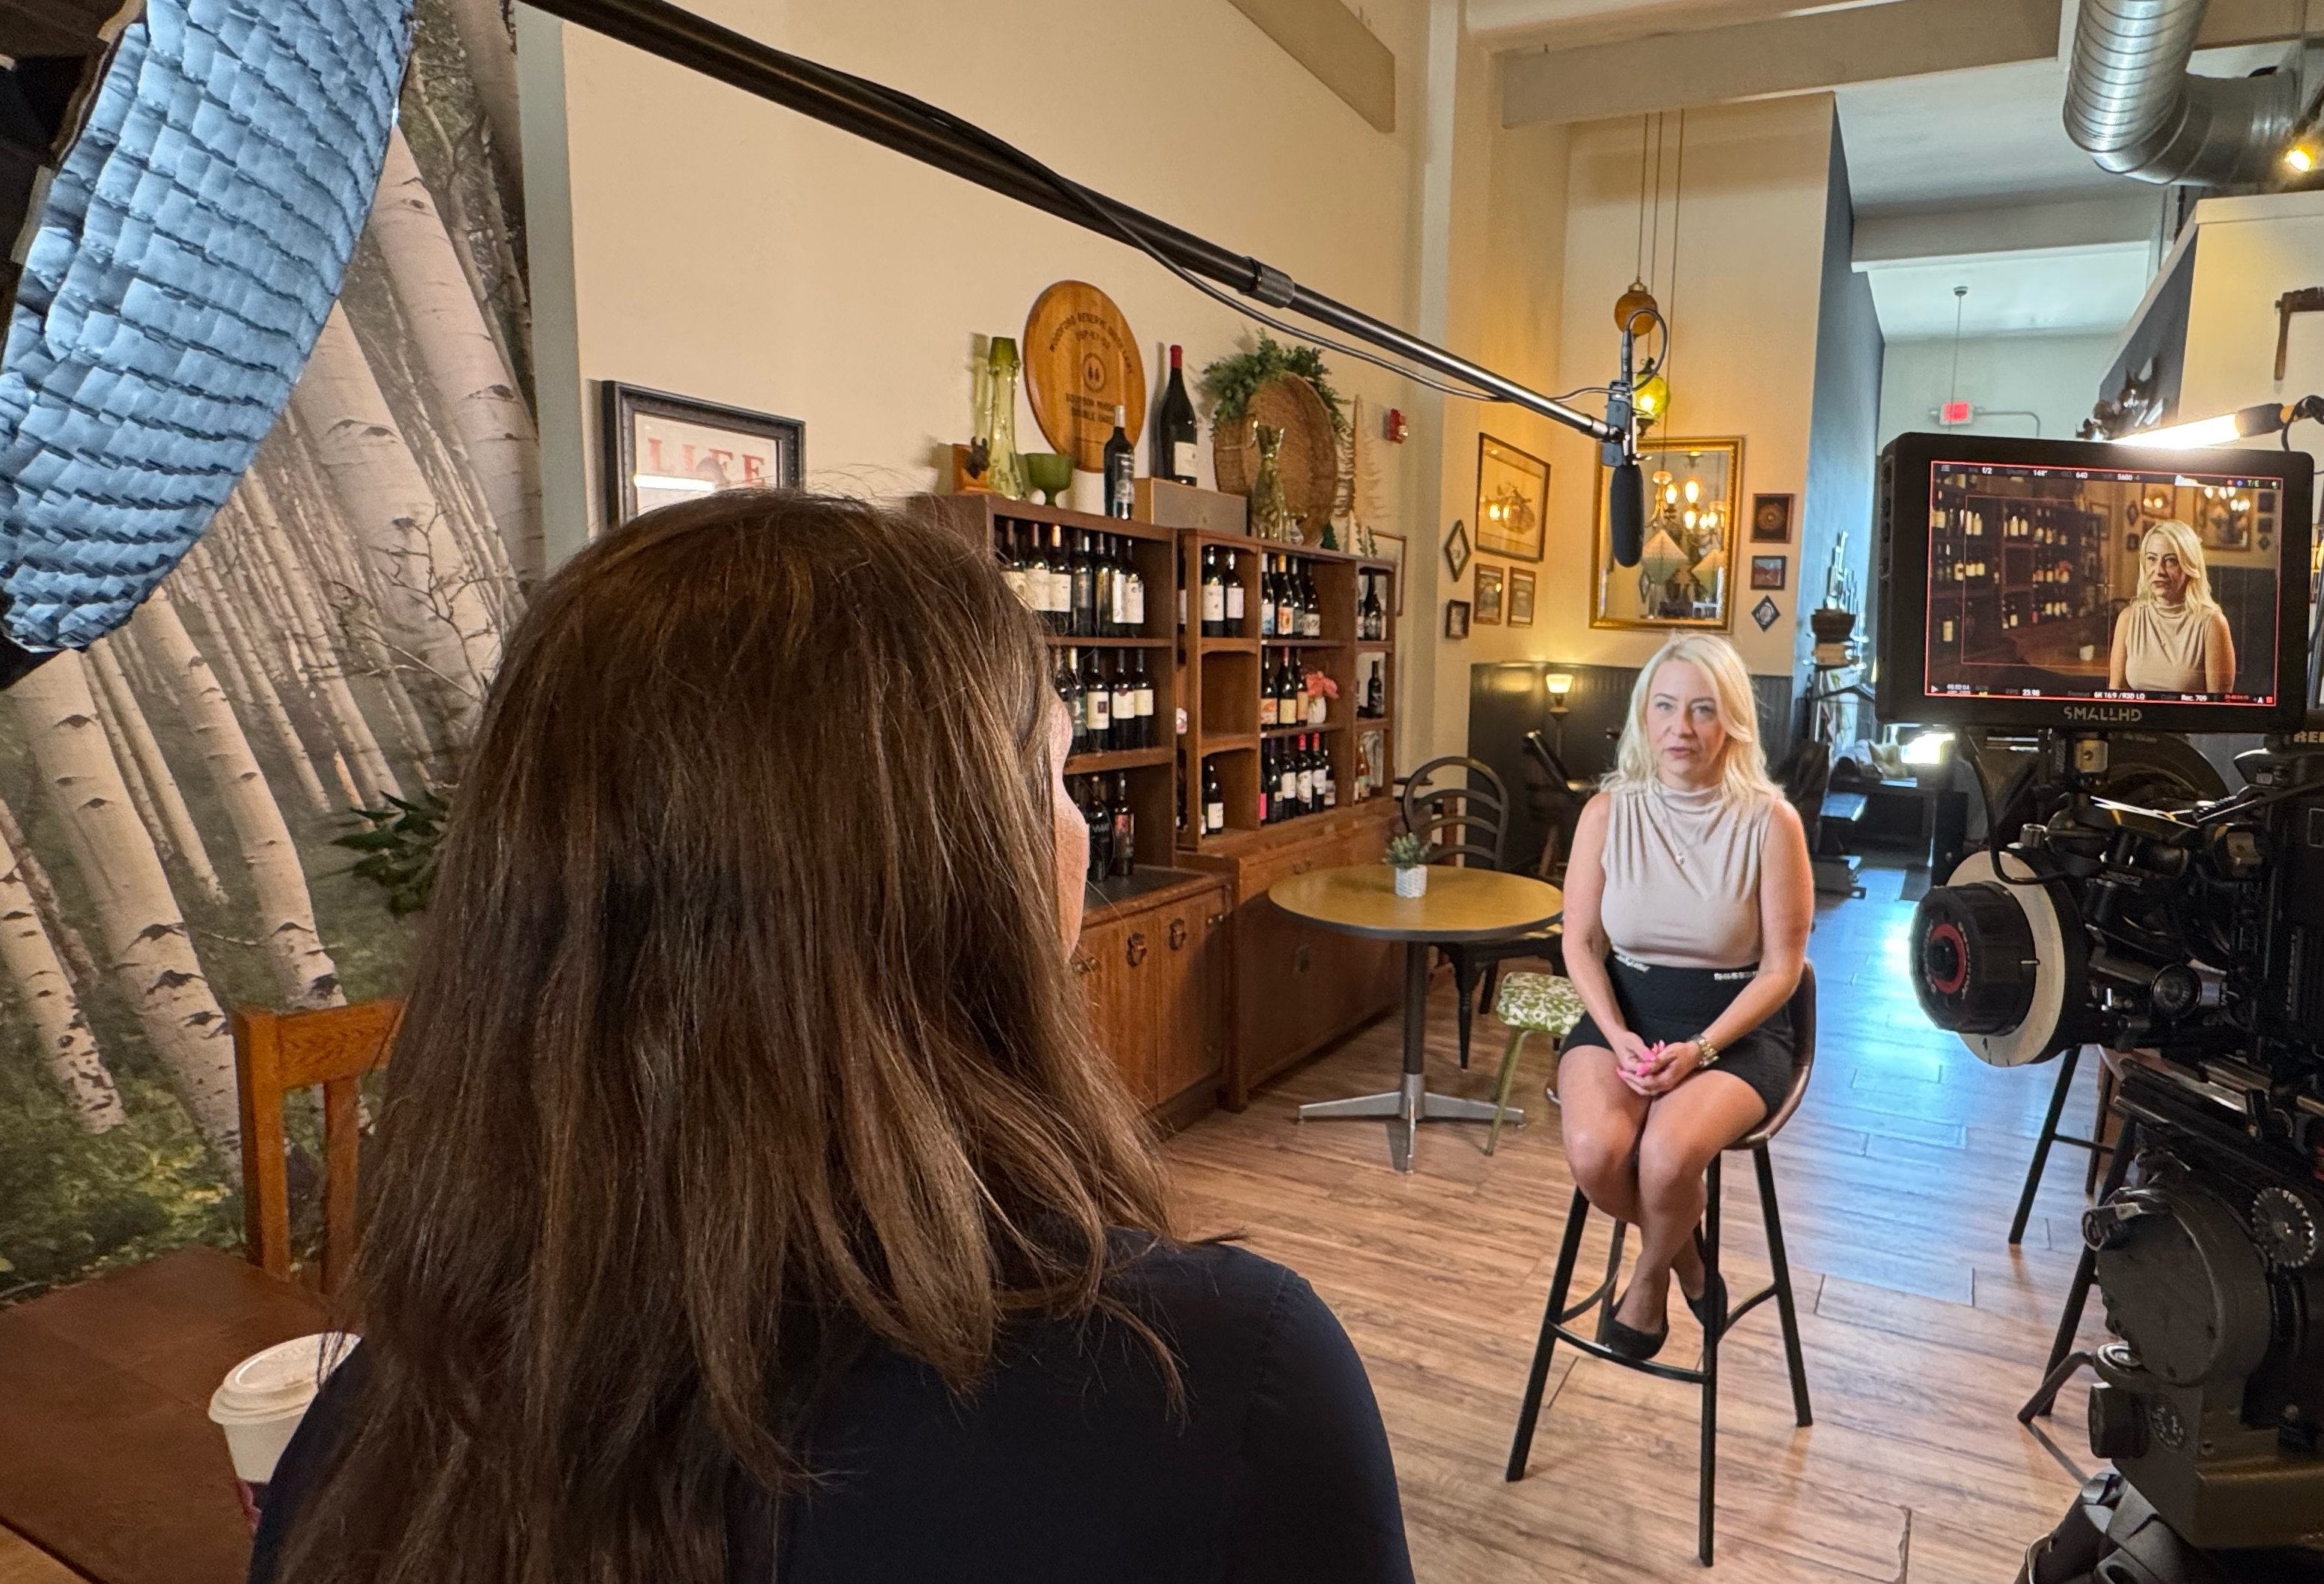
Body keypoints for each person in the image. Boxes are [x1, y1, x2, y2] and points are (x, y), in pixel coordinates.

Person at [250, 494, 1412, 1584]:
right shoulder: (1207, 1388)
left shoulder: (359, 1446)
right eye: (1049, 775)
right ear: (954, 874)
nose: (1078, 832)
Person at [1555, 635, 1814, 1360]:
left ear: (1730, 721)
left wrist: (1701, 1050)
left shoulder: (1771, 821)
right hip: (1626, 1017)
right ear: (1643, 715)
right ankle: (1689, 1259)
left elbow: (1782, 970)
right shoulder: (1607, 811)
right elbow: (1579, 944)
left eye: (1703, 710)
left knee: (1668, 1160)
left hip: (1736, 1029)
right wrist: (1613, 1033)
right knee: (1595, 1150)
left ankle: (1645, 1284)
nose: (1681, 727)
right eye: (1664, 707)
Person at [2108, 519, 2238, 695]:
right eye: (2152, 559)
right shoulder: (2128, 618)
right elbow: (2115, 694)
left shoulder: (2212, 623)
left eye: (2171, 561)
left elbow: (2219, 710)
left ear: (2190, 566)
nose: (2159, 570)